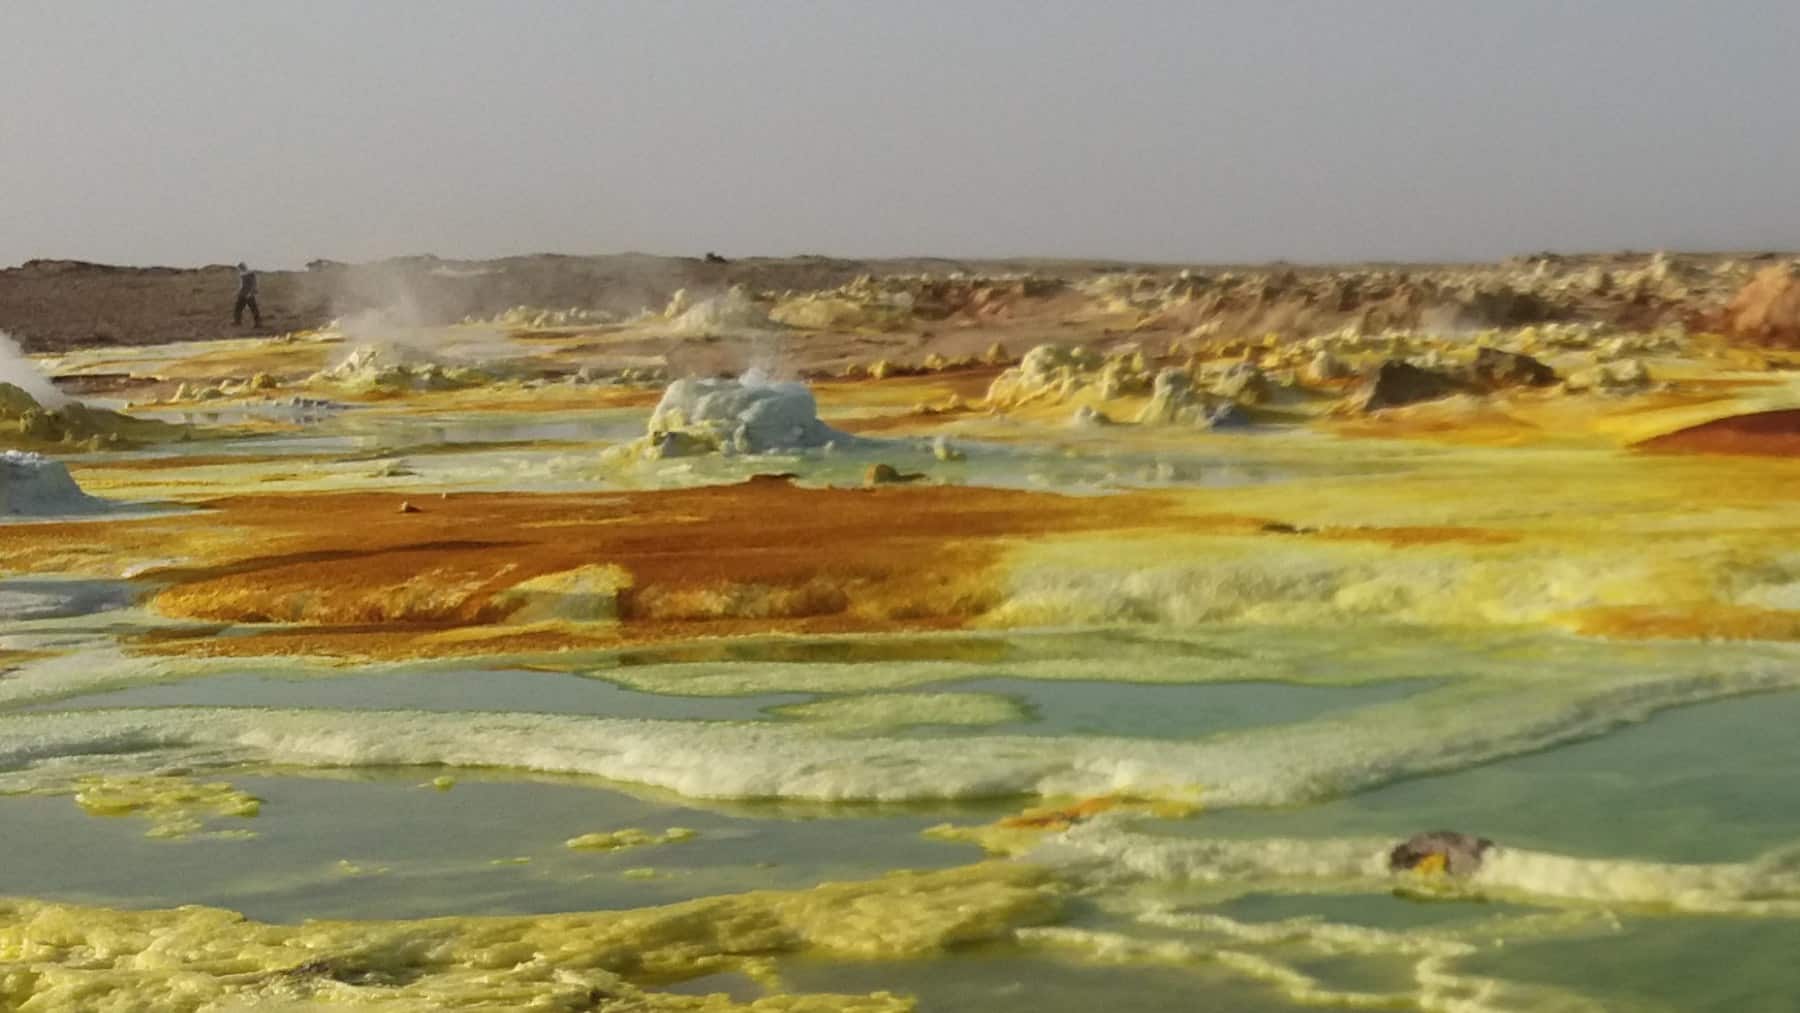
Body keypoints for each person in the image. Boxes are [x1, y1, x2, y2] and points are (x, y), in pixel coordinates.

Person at [233, 262, 262, 327]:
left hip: (249, 295)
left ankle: (258, 323)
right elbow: (242, 285)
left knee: (253, 309)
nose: (239, 269)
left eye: (240, 268)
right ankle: (237, 322)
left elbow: (254, 284)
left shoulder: (251, 274)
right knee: (238, 308)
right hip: (243, 294)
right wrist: (238, 292)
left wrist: (251, 293)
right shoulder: (242, 274)